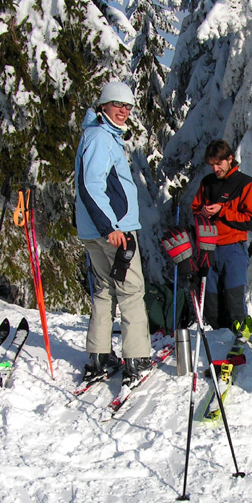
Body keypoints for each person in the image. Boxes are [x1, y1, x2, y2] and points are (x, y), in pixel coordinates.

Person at [74, 81, 151, 386]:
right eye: (118, 105)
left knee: (105, 291)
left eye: (128, 107)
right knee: (131, 291)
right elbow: (91, 185)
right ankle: (136, 358)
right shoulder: (101, 138)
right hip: (111, 230)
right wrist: (111, 228)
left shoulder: (96, 135)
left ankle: (100, 356)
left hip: (97, 229)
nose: (123, 111)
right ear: (103, 106)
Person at [191, 139, 252, 329]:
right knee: (211, 300)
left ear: (230, 159)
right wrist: (203, 213)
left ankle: (240, 339)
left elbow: (249, 220)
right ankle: (217, 338)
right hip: (208, 247)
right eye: (211, 164)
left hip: (233, 248)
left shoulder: (246, 184)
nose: (215, 168)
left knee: (233, 298)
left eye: (218, 163)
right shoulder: (207, 183)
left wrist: (221, 211)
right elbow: (195, 209)